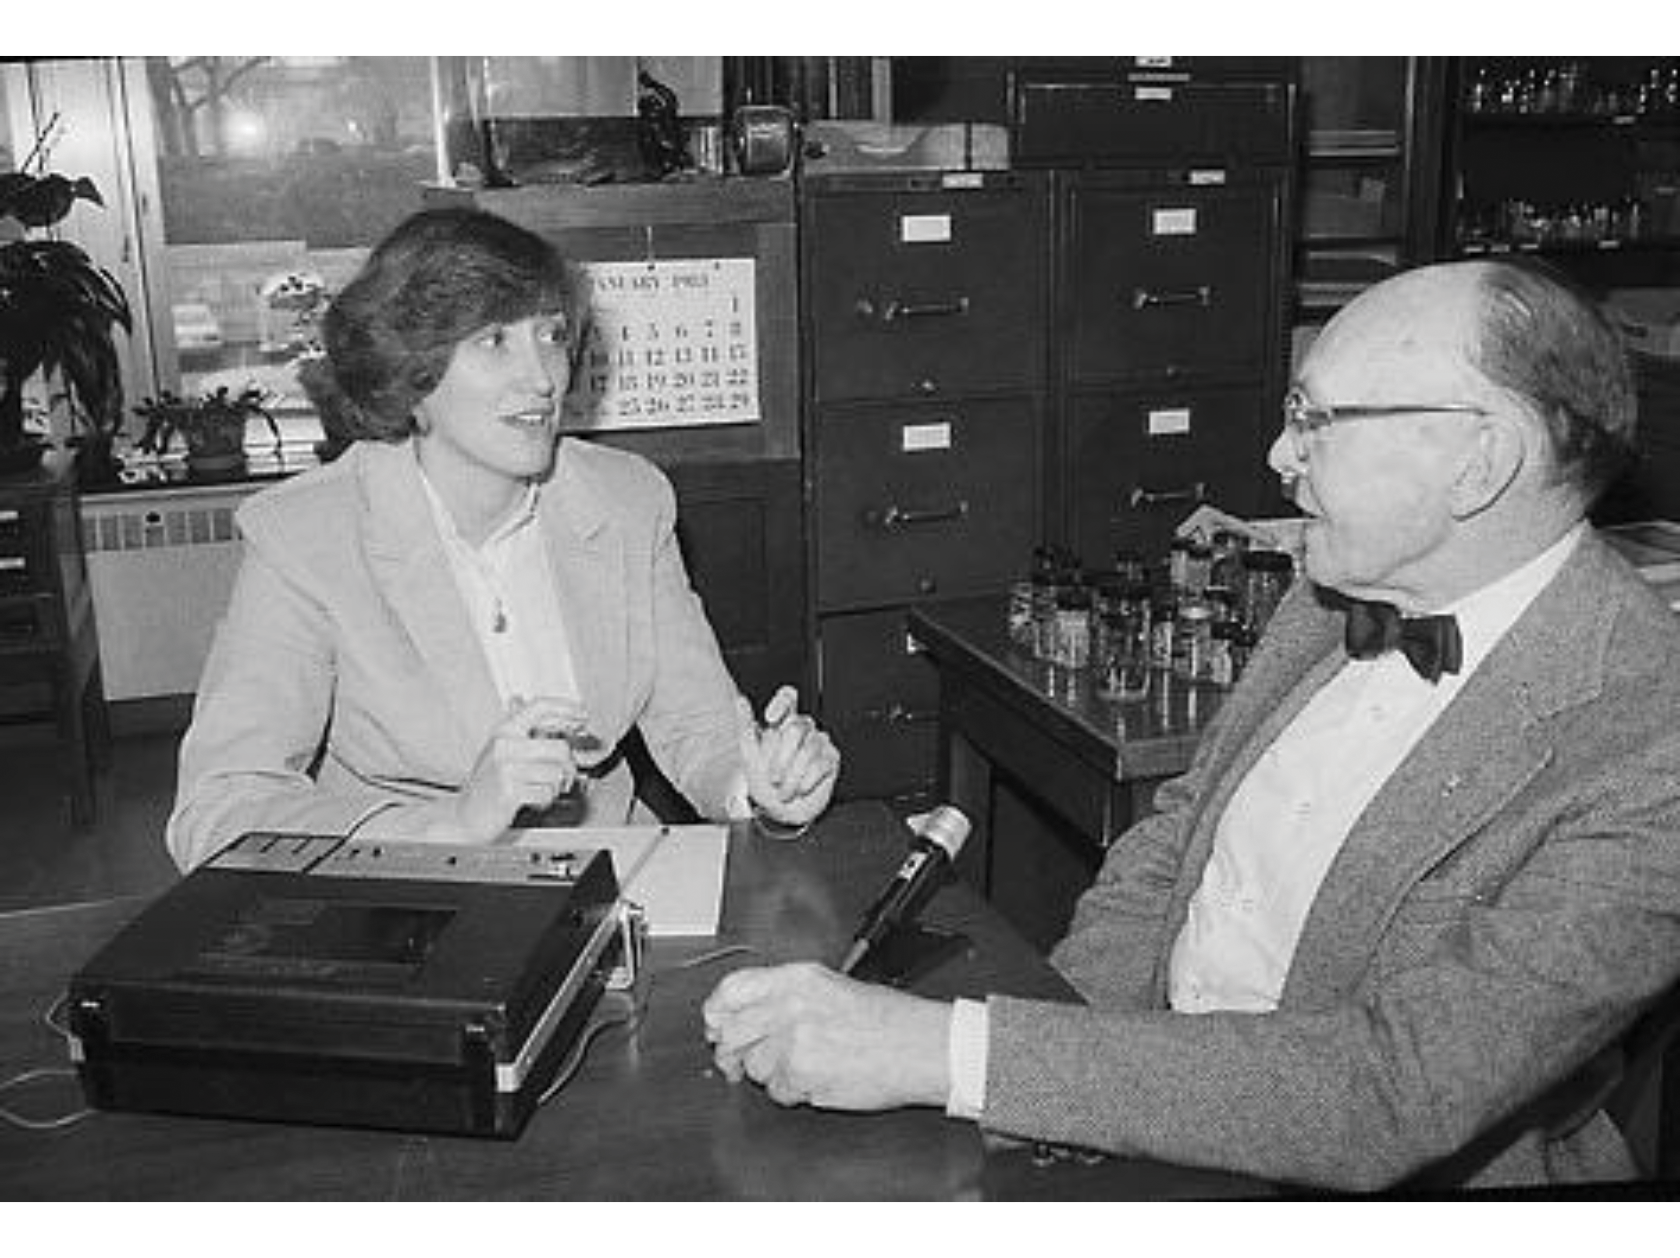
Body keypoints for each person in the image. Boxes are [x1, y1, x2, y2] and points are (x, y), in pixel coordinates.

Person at [701, 258, 1680, 1191]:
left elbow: (1392, 1088)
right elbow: (1172, 843)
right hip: (1152, 1127)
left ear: (1479, 461)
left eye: (1316, 419)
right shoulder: (1333, 590)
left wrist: (943, 1050)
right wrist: (1046, 1088)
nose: (1278, 456)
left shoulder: (1648, 739)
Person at [165, 208, 838, 871]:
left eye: (549, 336)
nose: (543, 379)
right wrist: (454, 823)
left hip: (611, 878)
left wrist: (757, 787)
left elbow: (698, 726)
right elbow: (220, 810)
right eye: (494, 341)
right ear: (411, 374)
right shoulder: (305, 537)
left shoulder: (628, 500)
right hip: (401, 898)